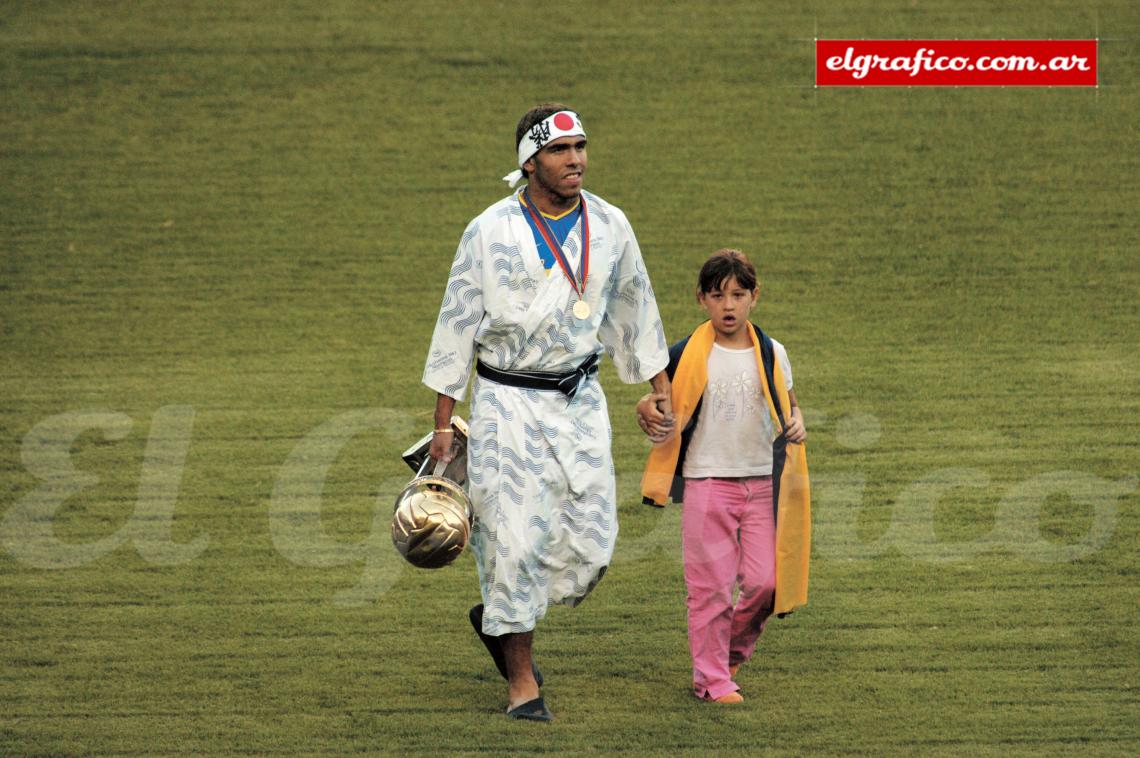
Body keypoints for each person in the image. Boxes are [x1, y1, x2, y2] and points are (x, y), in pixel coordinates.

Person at [422, 103, 673, 721]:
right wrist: (441, 425)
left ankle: (501, 623)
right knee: (511, 544)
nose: (577, 160)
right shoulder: (488, 230)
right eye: (562, 151)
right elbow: (456, 325)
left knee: (593, 543)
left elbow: (636, 308)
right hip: (506, 403)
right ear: (529, 162)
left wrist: (658, 388)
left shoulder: (611, 225)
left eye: (582, 147)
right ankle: (521, 680)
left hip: (580, 401)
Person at [638, 249, 811, 704]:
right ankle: (711, 679)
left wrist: (798, 421)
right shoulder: (680, 355)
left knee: (766, 583)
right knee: (709, 589)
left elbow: (791, 406)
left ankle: (728, 653)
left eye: (738, 295)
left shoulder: (773, 352)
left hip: (763, 485)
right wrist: (645, 409)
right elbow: (654, 402)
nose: (728, 306)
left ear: (755, 297)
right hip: (705, 482)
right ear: (701, 300)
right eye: (717, 296)